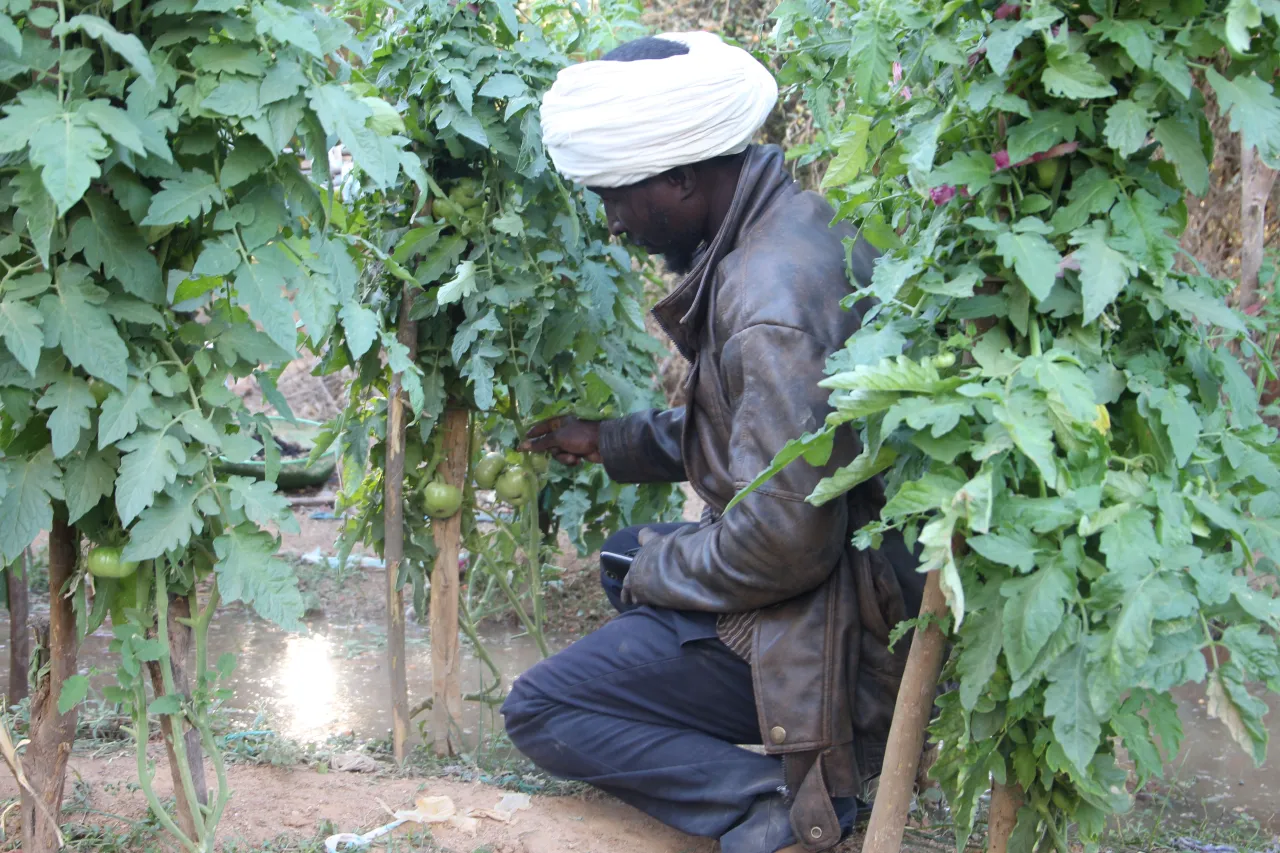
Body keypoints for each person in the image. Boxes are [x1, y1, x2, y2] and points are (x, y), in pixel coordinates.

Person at [500, 32, 922, 853]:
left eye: (617, 197)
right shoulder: (797, 223)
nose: (615, 223)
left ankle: (781, 798)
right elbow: (769, 439)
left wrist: (660, 567)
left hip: (837, 621)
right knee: (628, 555)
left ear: (684, 179)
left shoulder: (764, 297)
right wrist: (609, 440)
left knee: (543, 705)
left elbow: (782, 546)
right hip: (869, 581)